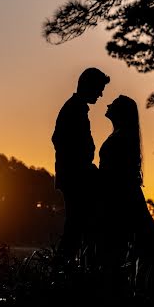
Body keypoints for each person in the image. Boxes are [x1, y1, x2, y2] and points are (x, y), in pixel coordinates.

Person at [98, 95, 154, 265]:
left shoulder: (120, 139)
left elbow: (113, 174)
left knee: (117, 246)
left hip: (117, 199)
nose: (107, 104)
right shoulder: (123, 137)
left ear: (121, 112)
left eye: (112, 104)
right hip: (120, 197)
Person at [52, 67, 110, 260]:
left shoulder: (76, 108)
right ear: (89, 86)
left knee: (77, 227)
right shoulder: (74, 109)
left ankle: (67, 269)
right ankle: (62, 270)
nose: (101, 94)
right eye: (99, 88)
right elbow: (59, 140)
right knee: (76, 227)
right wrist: (83, 165)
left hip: (75, 176)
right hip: (76, 178)